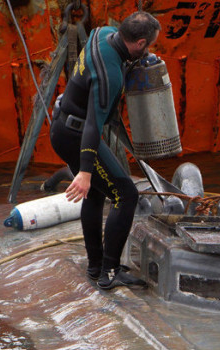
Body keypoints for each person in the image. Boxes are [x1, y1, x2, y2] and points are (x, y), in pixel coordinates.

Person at [49, 11, 160, 290]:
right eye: (148, 47)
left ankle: (96, 265)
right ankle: (109, 273)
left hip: (62, 125)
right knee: (126, 195)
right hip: (77, 134)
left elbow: (121, 59)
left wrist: (141, 62)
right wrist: (85, 172)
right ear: (140, 42)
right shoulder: (109, 75)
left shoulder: (103, 33)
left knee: (97, 194)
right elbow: (92, 127)